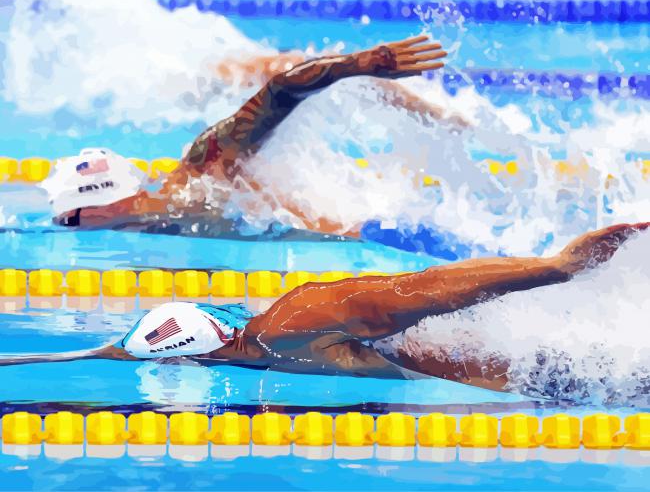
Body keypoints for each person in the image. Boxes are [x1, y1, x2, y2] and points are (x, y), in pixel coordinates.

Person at [3, 222, 647, 396]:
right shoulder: (271, 332)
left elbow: (428, 287)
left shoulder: (281, 338)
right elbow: (430, 288)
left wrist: (556, 268)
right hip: (557, 376)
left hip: (559, 375)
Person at [48, 35, 451, 236]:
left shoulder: (204, 167)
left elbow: (280, 89)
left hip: (372, 231)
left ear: (96, 210)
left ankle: (445, 117)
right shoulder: (150, 219)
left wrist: (362, 63)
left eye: (69, 221)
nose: (68, 226)